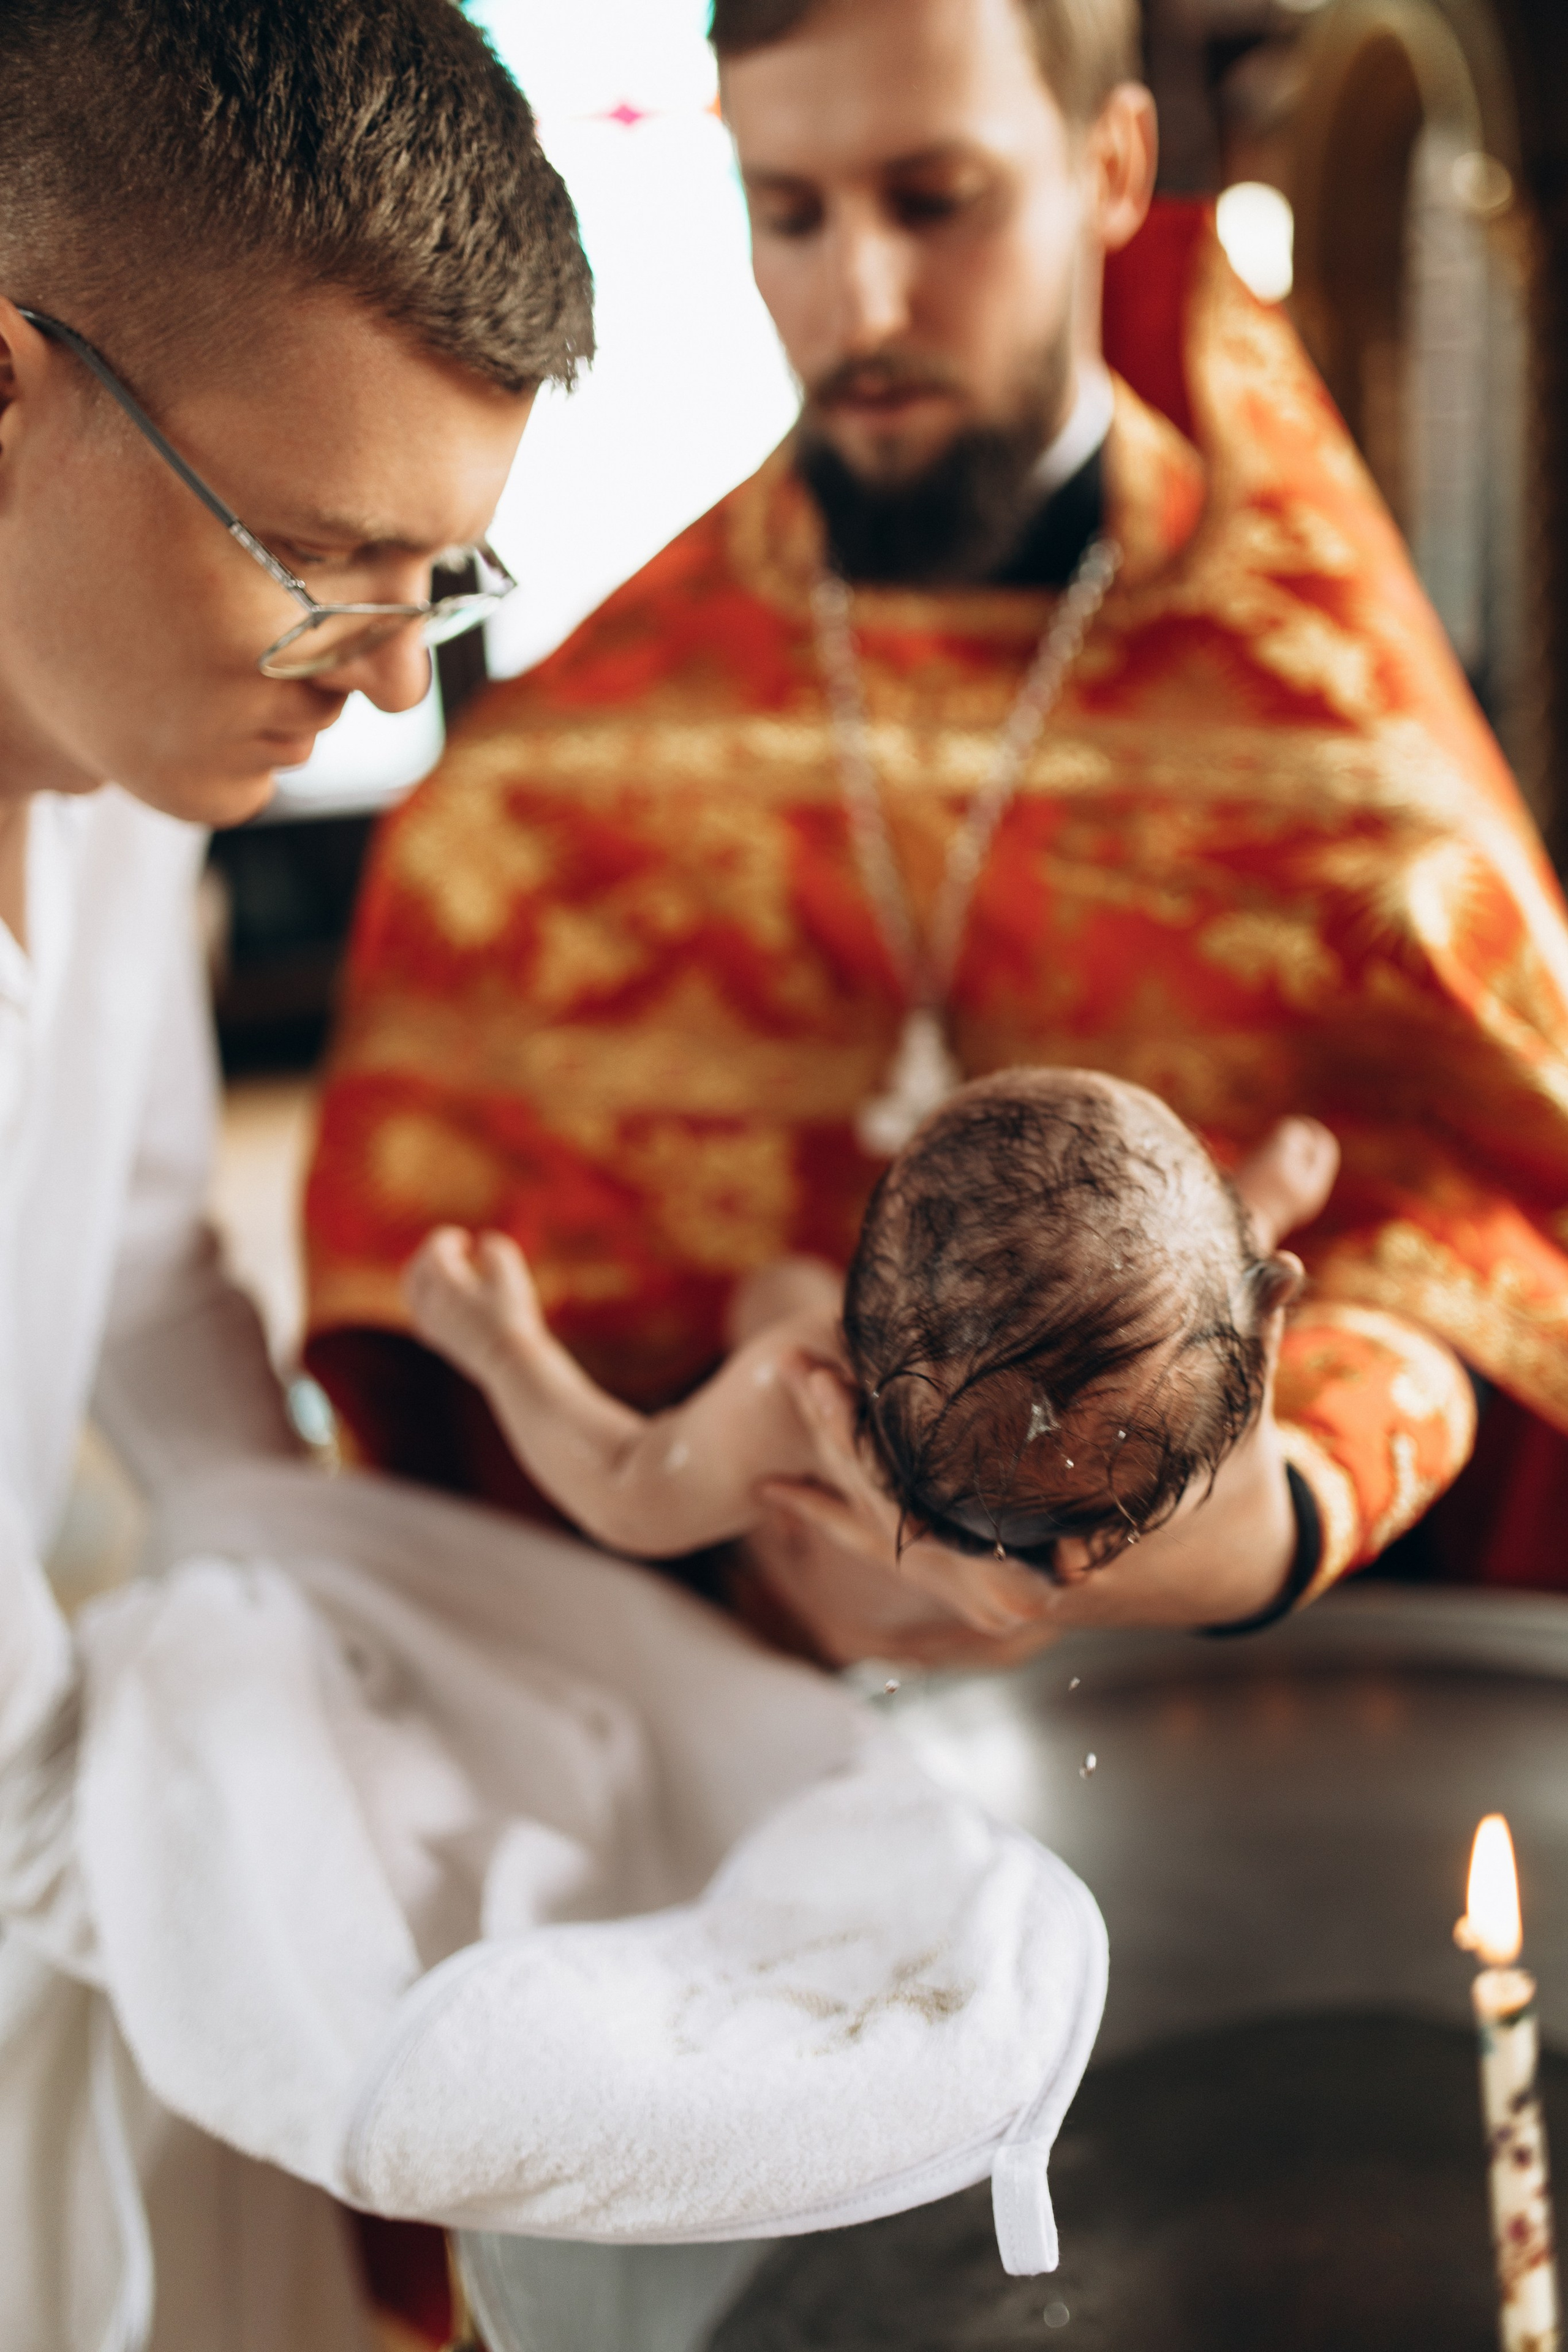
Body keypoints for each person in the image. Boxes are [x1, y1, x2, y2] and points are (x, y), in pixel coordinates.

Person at [304, 0, 1568, 1664]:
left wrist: (1264, 1507)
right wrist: (732, 1531)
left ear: (1110, 166)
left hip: (1241, 1711)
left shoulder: (1333, 737)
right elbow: (453, 1397)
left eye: (935, 199)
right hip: (724, 1708)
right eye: (793, 212)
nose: (862, 302)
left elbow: (1491, 1238)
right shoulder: (559, 776)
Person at [0, 1, 590, 2343]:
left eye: (438, 581)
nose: (391, 695)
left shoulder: (122, 756)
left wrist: (318, 1582)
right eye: (326, 563)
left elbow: (138, 1263)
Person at [405, 1080, 1341, 1640]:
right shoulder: (1216, 1384)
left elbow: (623, 1487)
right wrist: (1261, 1199)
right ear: (1269, 1310)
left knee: (771, 1287)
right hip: (1087, 1597)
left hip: (863, 1627)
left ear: (854, 1341)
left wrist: (503, 1348)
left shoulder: (798, 1382)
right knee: (1149, 1281)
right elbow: (1190, 1281)